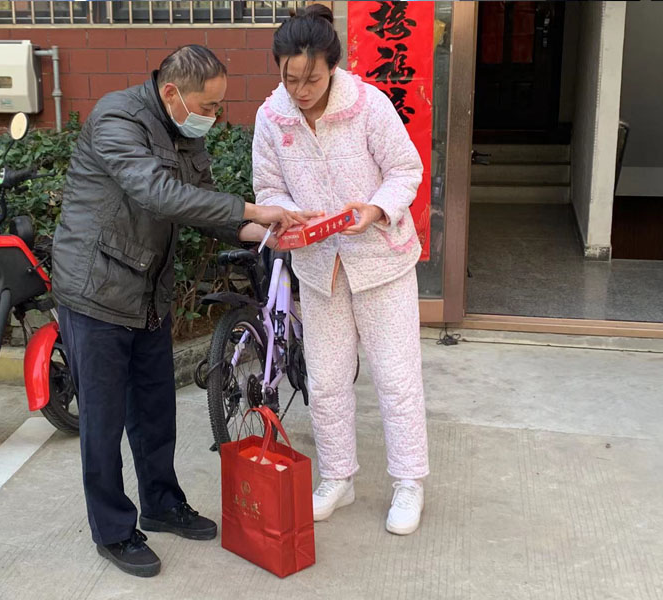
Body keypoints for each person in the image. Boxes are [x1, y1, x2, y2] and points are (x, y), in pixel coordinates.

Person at [52, 45, 308, 578]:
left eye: (218, 106)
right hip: (96, 289)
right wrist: (253, 207)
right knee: (103, 422)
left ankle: (162, 504)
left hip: (147, 289)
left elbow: (203, 201)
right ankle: (114, 530)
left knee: (155, 410)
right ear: (172, 93)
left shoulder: (184, 129)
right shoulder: (117, 118)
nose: (213, 116)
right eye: (208, 106)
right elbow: (158, 192)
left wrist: (263, 231)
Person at [252, 5, 430, 535]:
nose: (300, 90)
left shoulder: (368, 105)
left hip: (381, 262)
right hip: (318, 266)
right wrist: (289, 213)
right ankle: (337, 477)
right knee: (326, 379)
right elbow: (268, 187)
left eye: (311, 79)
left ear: (333, 66)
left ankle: (408, 482)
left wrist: (374, 210)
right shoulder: (271, 116)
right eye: (290, 79)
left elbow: (406, 170)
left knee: (396, 378)